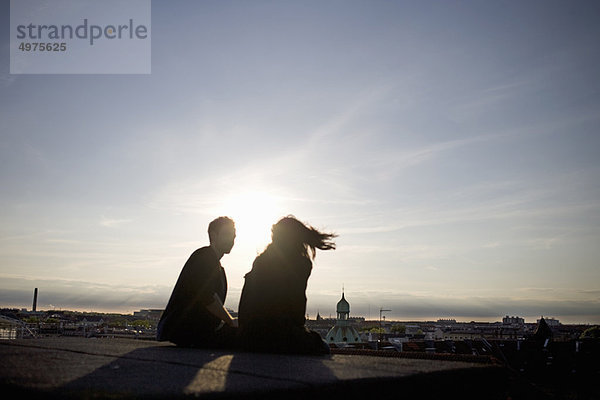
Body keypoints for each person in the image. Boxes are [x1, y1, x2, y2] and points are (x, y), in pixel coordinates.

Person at [238, 216, 336, 355]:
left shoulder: (260, 261)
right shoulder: (301, 264)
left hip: (249, 337)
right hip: (279, 336)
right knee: (324, 347)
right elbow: (297, 304)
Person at [157, 216, 238, 348]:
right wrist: (230, 321)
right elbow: (207, 296)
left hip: (192, 331)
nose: (232, 240)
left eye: (234, 236)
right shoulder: (205, 256)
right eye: (227, 234)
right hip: (188, 331)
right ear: (213, 235)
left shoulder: (215, 265)